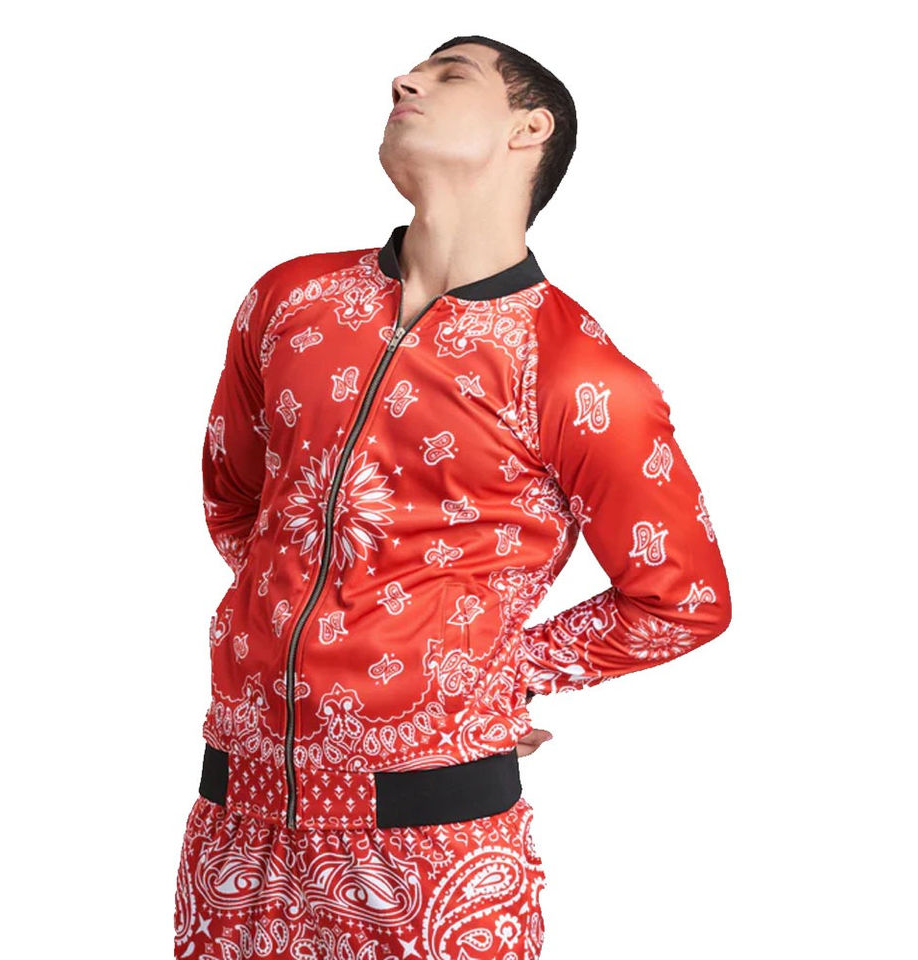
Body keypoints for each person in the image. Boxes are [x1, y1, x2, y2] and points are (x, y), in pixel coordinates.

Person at [173, 35, 732, 959]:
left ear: (529, 129)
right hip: (237, 822)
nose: (404, 79)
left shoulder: (577, 372)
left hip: (432, 843)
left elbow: (685, 597)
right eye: (413, 70)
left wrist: (489, 671)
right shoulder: (288, 300)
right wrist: (328, 616)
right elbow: (238, 502)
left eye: (450, 73)